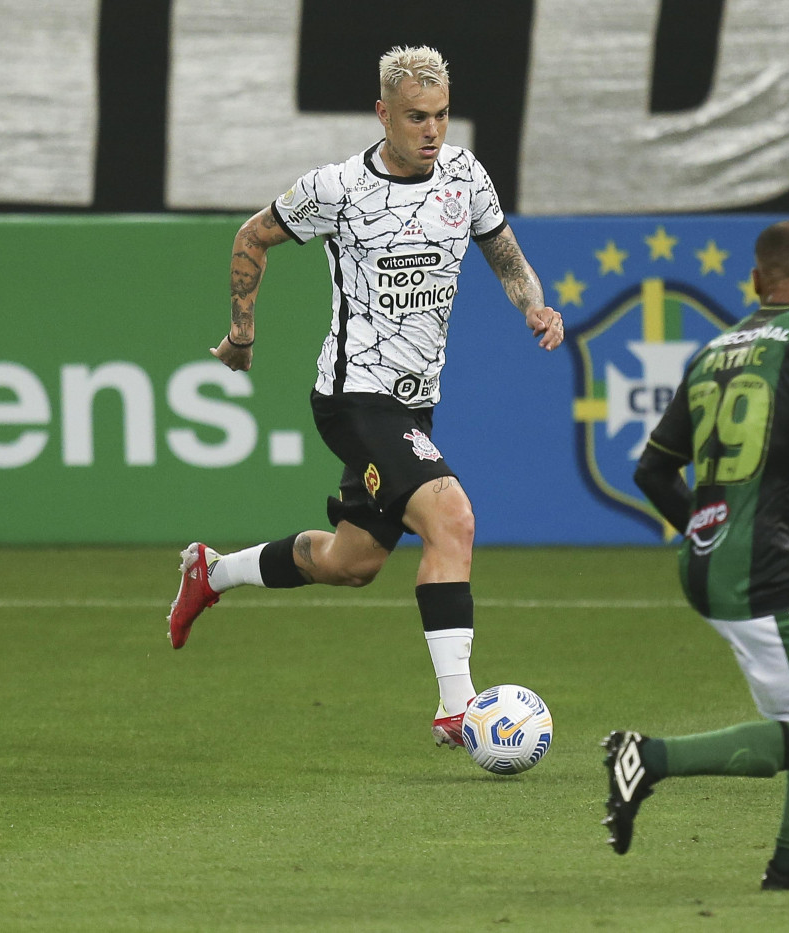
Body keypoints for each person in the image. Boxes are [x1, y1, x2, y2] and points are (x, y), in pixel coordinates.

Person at [166, 46, 563, 750]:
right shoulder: (340, 189)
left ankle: (212, 571)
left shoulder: (465, 175)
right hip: (354, 397)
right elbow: (253, 236)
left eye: (441, 116)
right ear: (384, 114)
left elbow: (502, 248)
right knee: (454, 519)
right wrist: (241, 332)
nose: (432, 131)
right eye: (416, 117)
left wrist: (532, 304)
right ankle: (458, 709)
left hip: (413, 405)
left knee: (351, 562)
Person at [602, 220, 789, 890]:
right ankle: (648, 757)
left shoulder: (713, 351)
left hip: (726, 558)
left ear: (757, 282)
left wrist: (704, 530)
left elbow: (651, 471)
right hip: (760, 566)